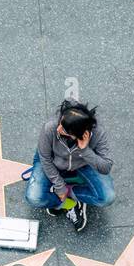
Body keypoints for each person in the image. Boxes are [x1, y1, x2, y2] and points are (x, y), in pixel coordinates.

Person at [24, 98, 114, 232]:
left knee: (107, 198)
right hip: (53, 162)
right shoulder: (50, 127)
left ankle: (73, 194)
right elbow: (45, 158)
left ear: (77, 134)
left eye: (64, 130)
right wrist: (60, 188)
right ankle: (67, 203)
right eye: (60, 123)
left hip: (83, 164)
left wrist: (85, 150)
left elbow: (105, 167)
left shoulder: (98, 133)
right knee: (34, 198)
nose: (59, 128)